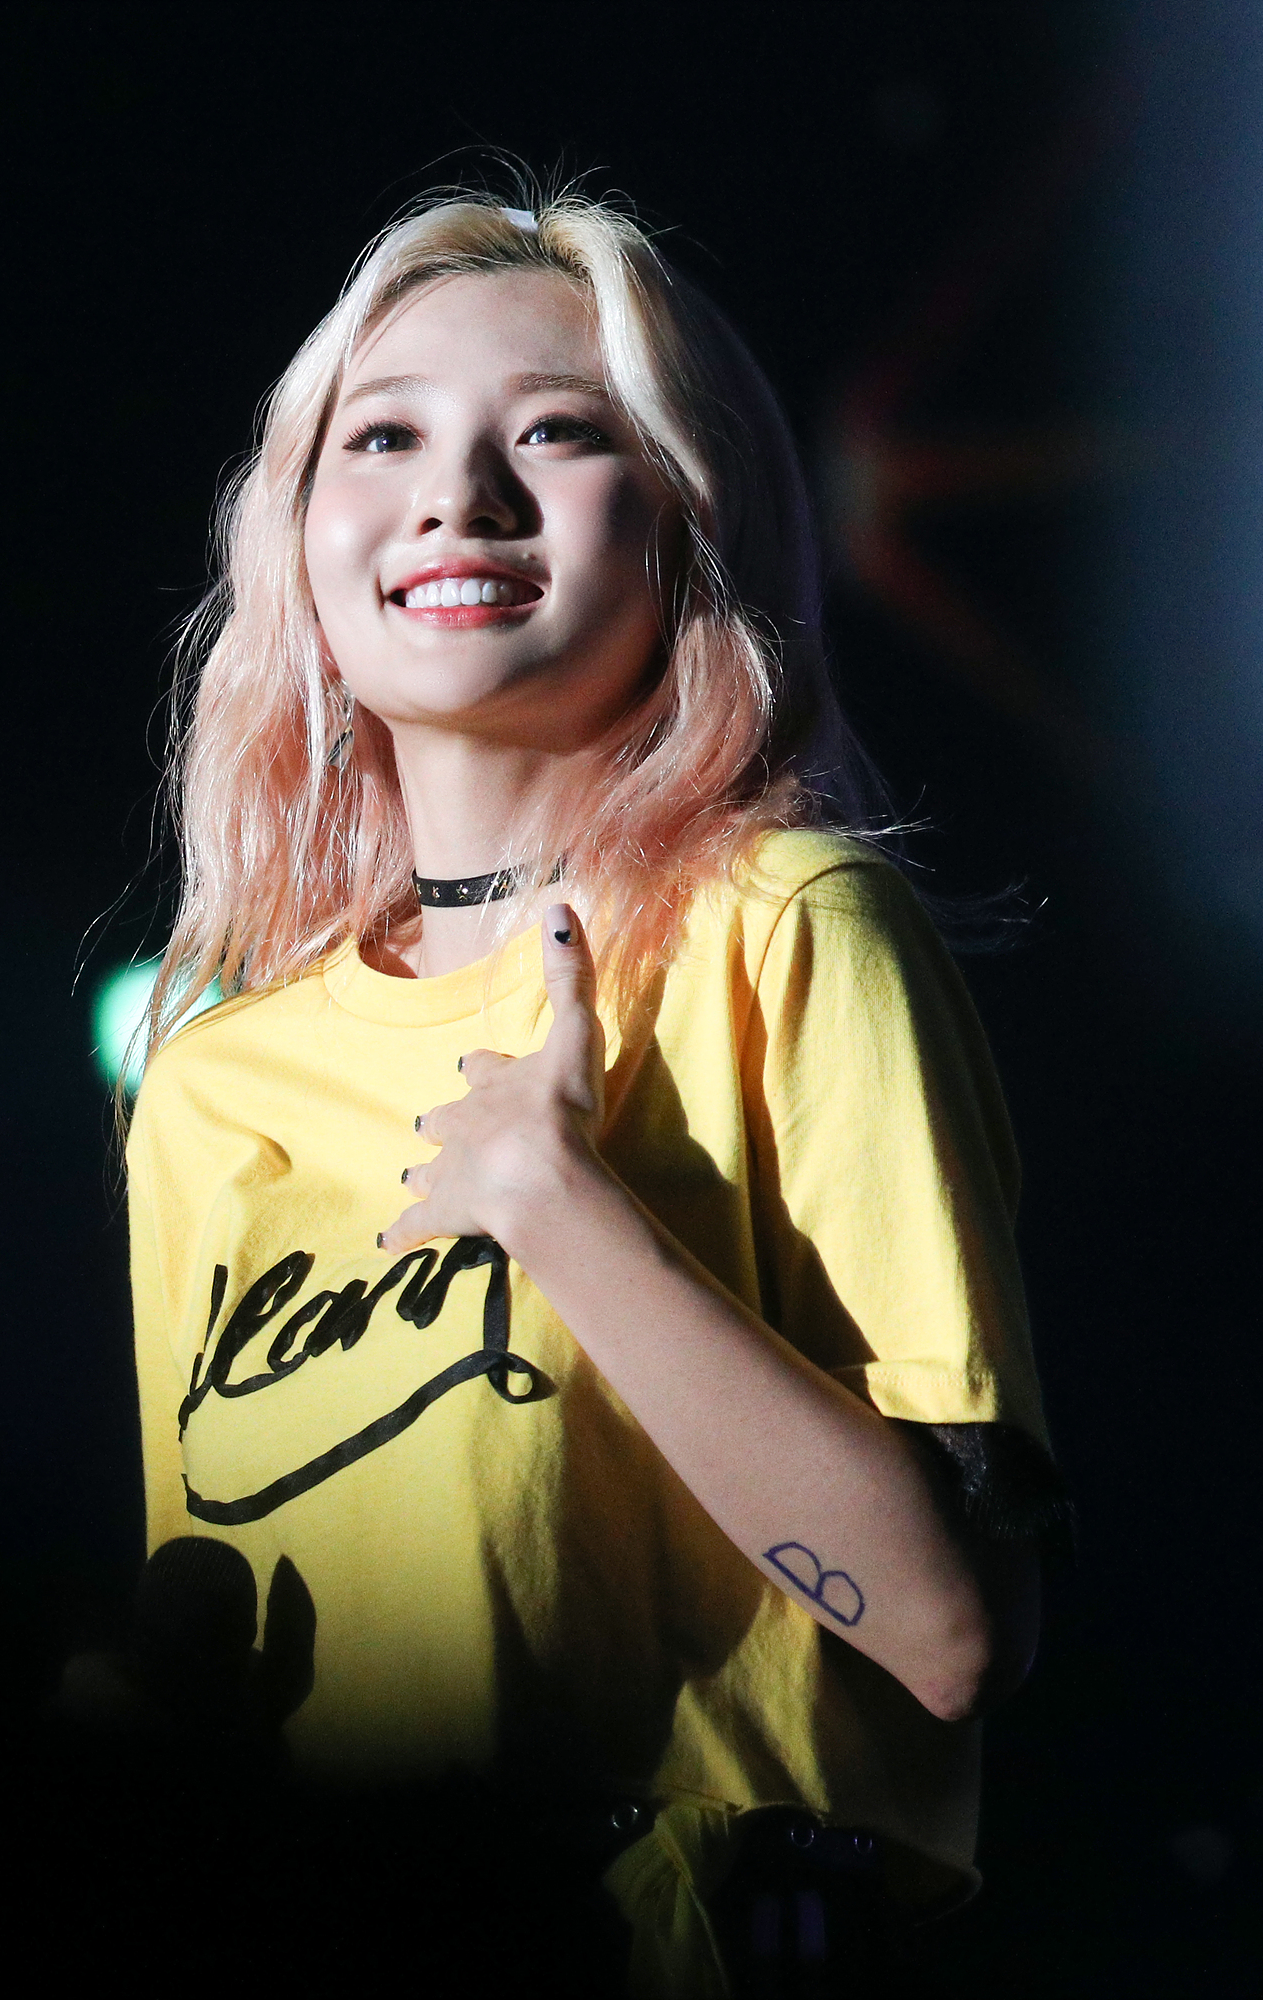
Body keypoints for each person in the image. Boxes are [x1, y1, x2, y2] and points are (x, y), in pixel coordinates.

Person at [112, 182, 1066, 1997]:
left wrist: (565, 1212)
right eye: (382, 438)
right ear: (298, 539)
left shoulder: (786, 929)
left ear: (689, 520)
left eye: (554, 432)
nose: (457, 496)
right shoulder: (216, 1084)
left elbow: (954, 1632)